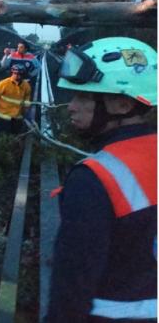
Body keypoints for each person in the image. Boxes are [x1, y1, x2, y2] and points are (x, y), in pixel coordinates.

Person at [47, 37, 157, 322]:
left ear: (121, 104)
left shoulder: (95, 178)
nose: (70, 106)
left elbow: (72, 286)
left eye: (83, 97)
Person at [0, 64, 32, 135]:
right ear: (12, 73)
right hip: (3, 115)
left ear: (23, 75)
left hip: (17, 116)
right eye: (15, 73)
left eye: (19, 74)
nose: (17, 76)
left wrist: (26, 107)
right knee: (3, 134)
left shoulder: (26, 86)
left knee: (15, 133)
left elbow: (27, 97)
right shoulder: (4, 83)